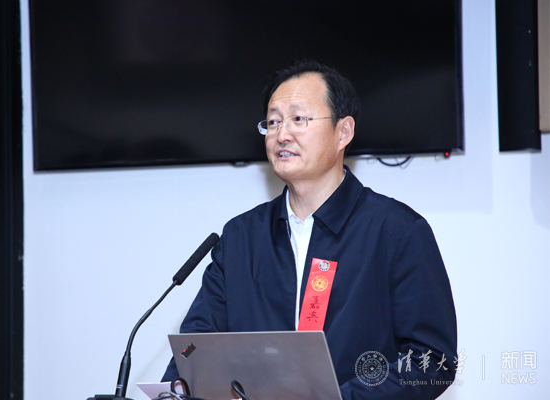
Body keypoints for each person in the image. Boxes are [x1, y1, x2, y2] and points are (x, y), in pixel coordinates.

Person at [163, 59, 457, 399]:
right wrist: (175, 387)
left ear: (343, 132)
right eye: (273, 122)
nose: (282, 134)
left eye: (299, 119)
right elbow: (196, 346)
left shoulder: (396, 231)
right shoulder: (241, 237)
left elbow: (431, 361)